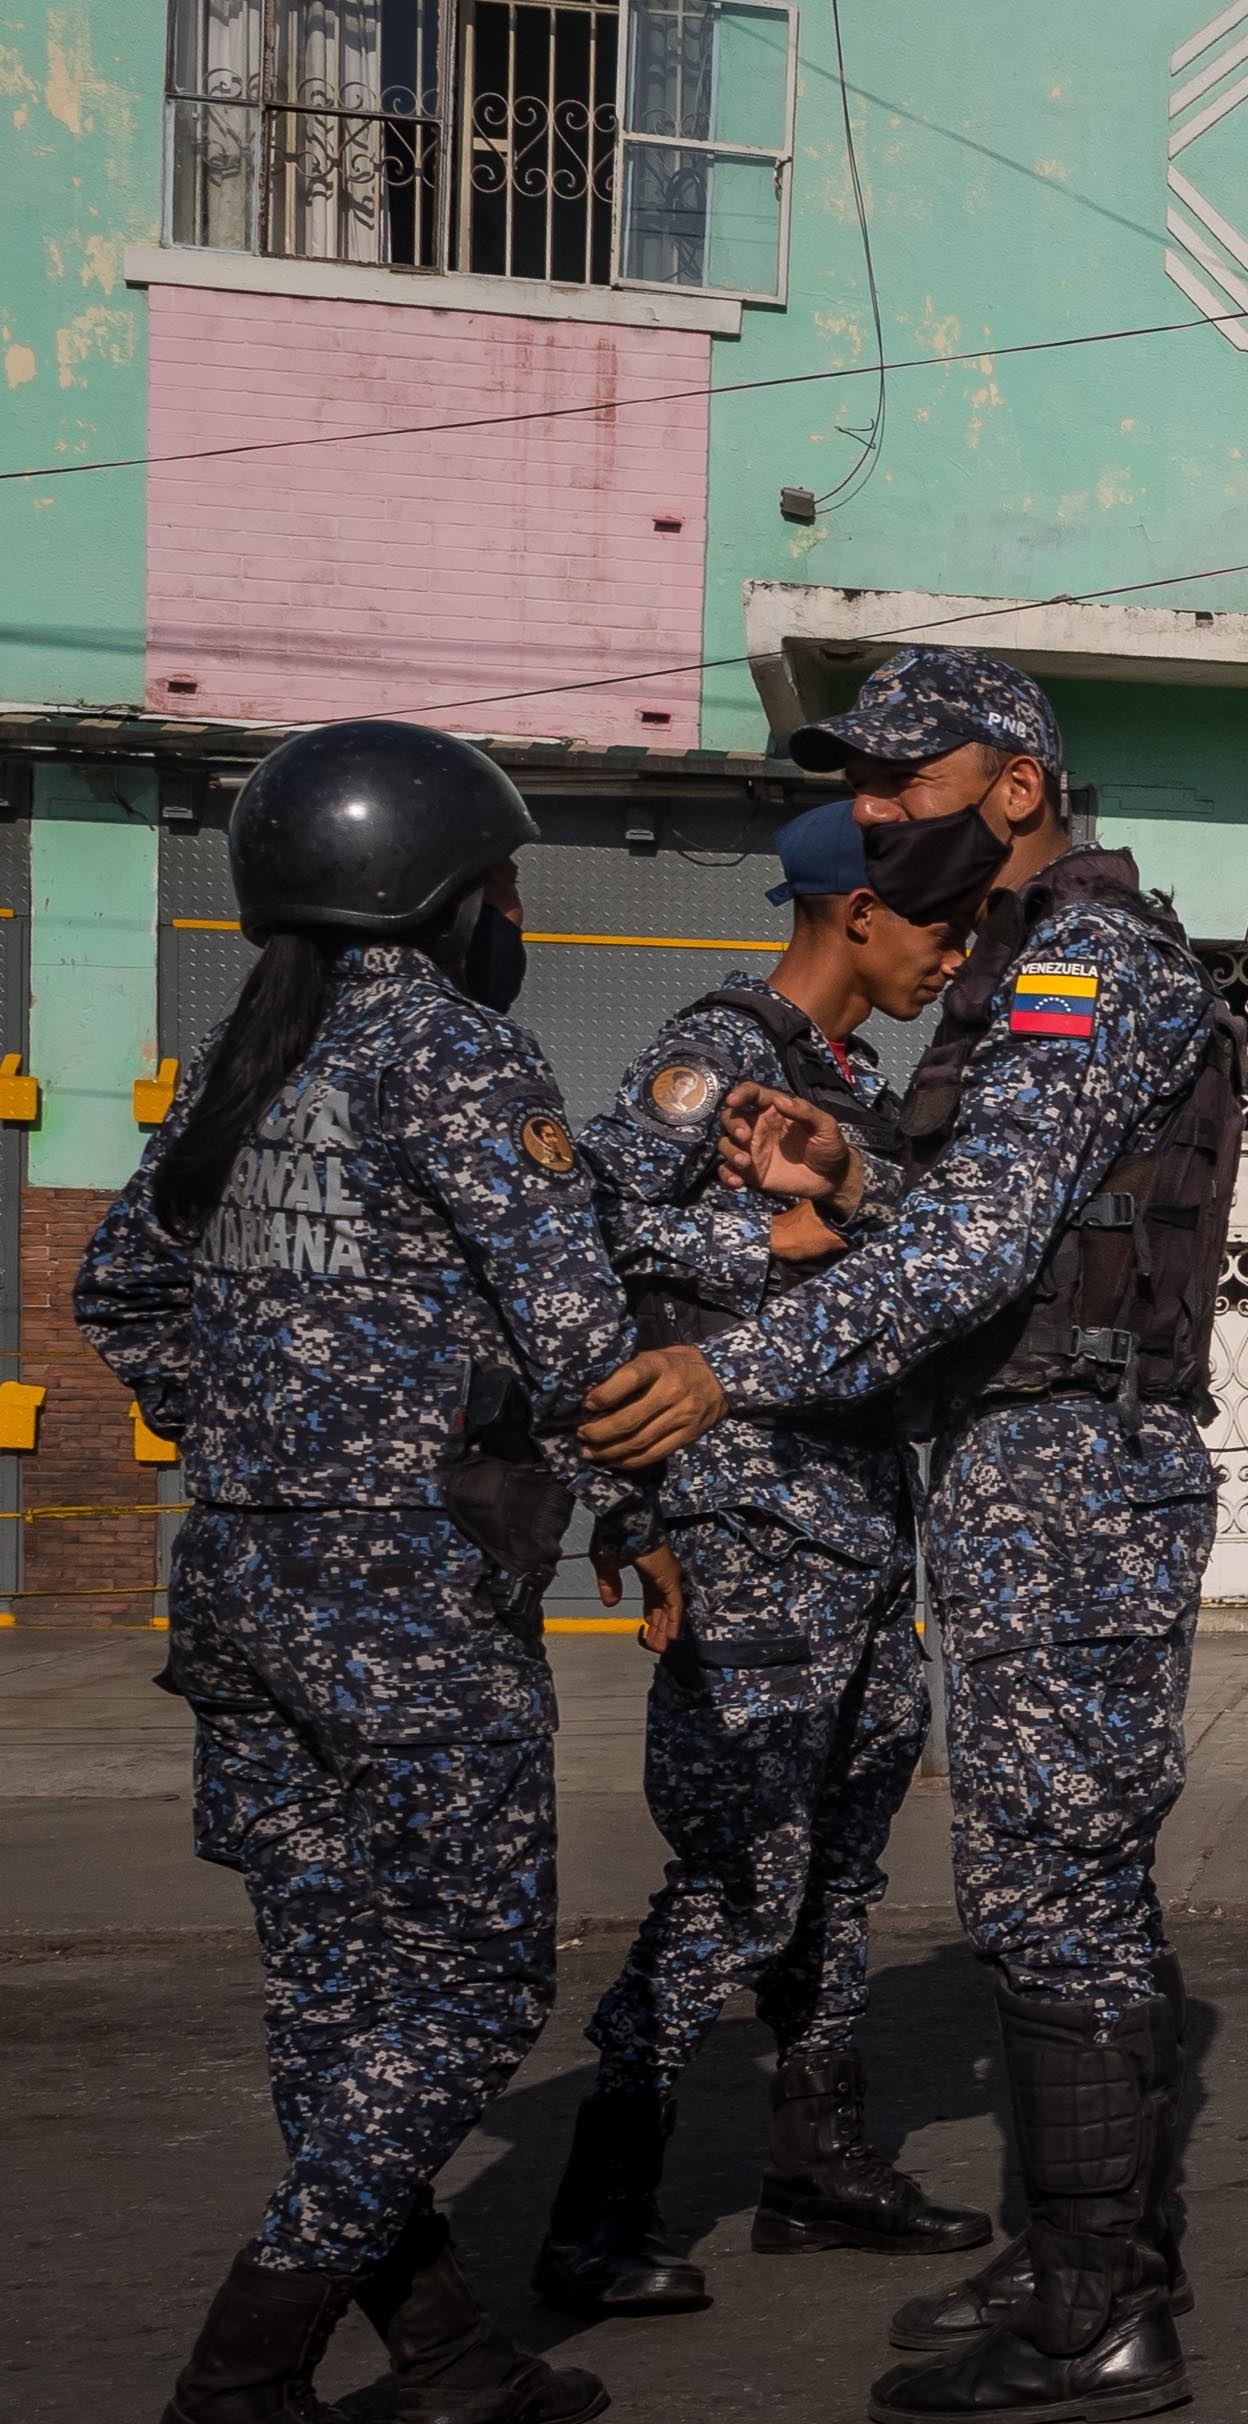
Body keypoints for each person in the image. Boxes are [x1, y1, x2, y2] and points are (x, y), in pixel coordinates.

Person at [579, 648, 1240, 2424]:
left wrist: (733, 1370)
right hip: (1020, 1473)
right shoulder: (1008, 979)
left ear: (1017, 784)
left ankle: (1102, 2309)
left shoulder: (1089, 960)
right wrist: (856, 1174)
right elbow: (970, 1211)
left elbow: (981, 1259)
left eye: (907, 781)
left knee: (1055, 1883)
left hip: (1073, 1477)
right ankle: (1075, 2252)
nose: (875, 814)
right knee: (1038, 1878)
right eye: (858, 786)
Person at [79, 719, 679, 2424]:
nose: (515, 915)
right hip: (403, 1596)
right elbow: (582, 1342)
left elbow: (123, 1292)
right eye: (501, 885)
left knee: (340, 1988)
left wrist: (263, 1433)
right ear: (435, 894)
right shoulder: (453, 1050)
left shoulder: (240, 1059)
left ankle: (448, 2352)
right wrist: (630, 1501)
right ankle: (237, 2392)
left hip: (246, 1581)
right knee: (477, 1984)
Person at [532, 798, 997, 2315]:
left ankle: (817, 2162)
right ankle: (600, 2209)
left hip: (857, 1520)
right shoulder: (713, 1052)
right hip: (749, 1531)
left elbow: (928, 1265)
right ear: (857, 911)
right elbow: (580, 1239)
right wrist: (643, 1509)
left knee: (843, 1869)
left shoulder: (837, 1079)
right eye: (938, 921)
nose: (955, 949)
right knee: (738, 1873)